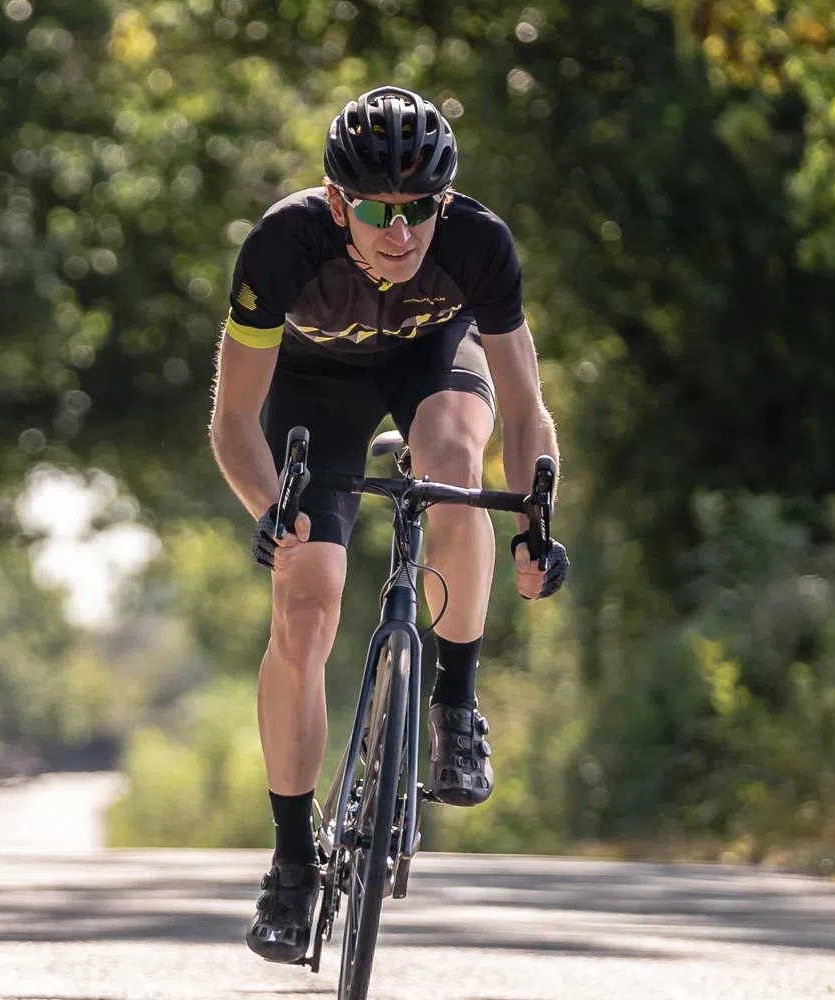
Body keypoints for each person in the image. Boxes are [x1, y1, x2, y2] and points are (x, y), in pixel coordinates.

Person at [207, 85, 570, 963]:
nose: (399, 232)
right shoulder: (283, 244)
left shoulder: (479, 244)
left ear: (445, 204)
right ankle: (292, 866)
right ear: (339, 203)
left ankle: (454, 705)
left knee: (453, 466)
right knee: (306, 600)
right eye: (376, 210)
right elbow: (233, 420)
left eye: (420, 211)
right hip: (312, 390)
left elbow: (525, 415)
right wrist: (271, 511)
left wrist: (533, 521)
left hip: (431, 364)